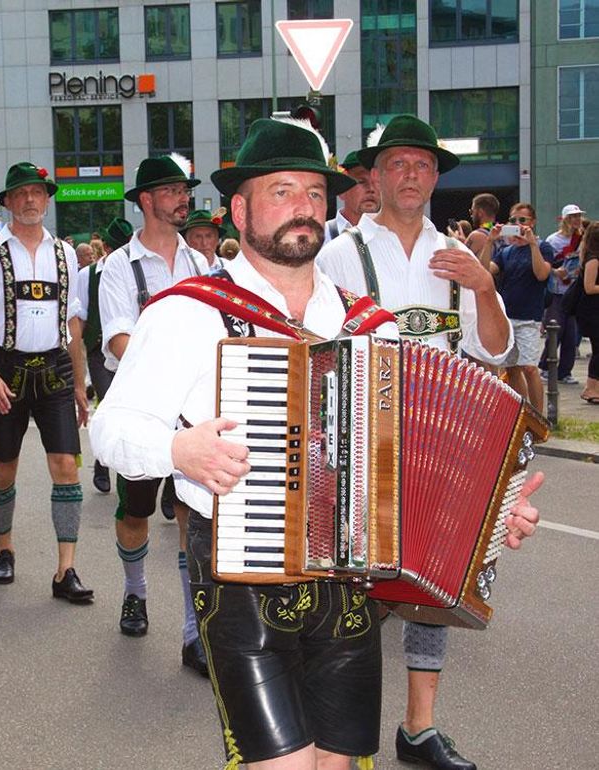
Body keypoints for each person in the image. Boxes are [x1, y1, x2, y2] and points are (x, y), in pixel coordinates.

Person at [91, 115, 542, 770]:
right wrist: (177, 452)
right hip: (239, 582)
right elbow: (110, 428)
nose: (302, 208)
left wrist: (493, 516)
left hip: (349, 584)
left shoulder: (369, 324)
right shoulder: (186, 312)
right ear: (239, 209)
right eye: (281, 191)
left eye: (312, 193)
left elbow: (411, 459)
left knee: (335, 765)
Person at [317, 114, 513, 770]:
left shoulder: (455, 259)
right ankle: (346, 731)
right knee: (358, 590)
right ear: (373, 176)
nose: (409, 175)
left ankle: (419, 728)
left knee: (432, 587)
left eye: (421, 165)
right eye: (396, 164)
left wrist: (484, 286)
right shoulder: (337, 253)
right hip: (360, 443)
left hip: (438, 445)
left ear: (434, 177)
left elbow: (495, 347)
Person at [97, 153, 210, 674]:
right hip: (144, 409)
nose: (183, 198)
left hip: (191, 411)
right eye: (171, 191)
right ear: (146, 201)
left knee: (192, 514)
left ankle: (193, 629)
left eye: (184, 190)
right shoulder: (116, 267)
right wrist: (172, 361)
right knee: (136, 514)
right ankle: (135, 590)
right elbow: (119, 339)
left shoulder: (201, 265)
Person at [0, 162, 93, 602]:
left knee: (67, 466)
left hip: (54, 368)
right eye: (21, 193)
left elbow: (72, 323)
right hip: (6, 368)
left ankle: (65, 570)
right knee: (3, 469)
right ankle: (5, 549)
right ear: (8, 202)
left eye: (38, 192)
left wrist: (79, 383)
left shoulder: (65, 253)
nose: (31, 200)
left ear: (47, 198)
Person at [479, 203, 554, 414]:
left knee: (529, 368)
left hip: (529, 317)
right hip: (507, 316)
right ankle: (522, 413)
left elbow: (542, 274)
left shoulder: (543, 247)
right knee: (511, 369)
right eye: (514, 221)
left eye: (523, 220)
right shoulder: (506, 251)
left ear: (533, 222)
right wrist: (489, 241)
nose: (518, 225)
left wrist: (532, 245)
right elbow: (485, 270)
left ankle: (538, 418)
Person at [77, 216, 133, 494]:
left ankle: (123, 468)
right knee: (110, 402)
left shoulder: (134, 271)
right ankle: (102, 461)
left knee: (128, 408)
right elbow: (79, 320)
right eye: (117, 249)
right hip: (99, 353)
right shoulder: (87, 276)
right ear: (107, 250)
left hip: (131, 352)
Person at [541, 204, 587, 384]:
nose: (577, 220)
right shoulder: (553, 240)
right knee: (556, 329)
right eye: (573, 216)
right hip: (557, 291)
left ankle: (565, 371)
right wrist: (554, 271)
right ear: (566, 219)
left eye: (578, 216)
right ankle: (545, 366)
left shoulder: (582, 238)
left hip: (574, 292)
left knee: (571, 333)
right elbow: (546, 263)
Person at [323, 150, 380, 241]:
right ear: (343, 190)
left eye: (377, 182)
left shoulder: (394, 236)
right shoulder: (321, 237)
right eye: (361, 181)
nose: (371, 189)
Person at [572, 221, 599, 403]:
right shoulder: (593, 259)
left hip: (593, 310)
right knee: (598, 350)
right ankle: (590, 387)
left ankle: (594, 387)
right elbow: (589, 287)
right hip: (592, 312)